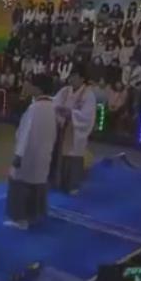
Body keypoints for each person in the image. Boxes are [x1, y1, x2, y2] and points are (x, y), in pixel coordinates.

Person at [5, 74, 57, 230]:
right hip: (43, 152)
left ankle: (20, 218)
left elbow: (25, 133)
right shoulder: (52, 106)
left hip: (29, 154)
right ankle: (35, 214)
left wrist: (18, 155)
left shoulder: (34, 108)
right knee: (37, 183)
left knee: (20, 183)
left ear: (38, 88)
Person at [51, 65, 96, 195]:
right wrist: (59, 111)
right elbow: (55, 104)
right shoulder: (65, 91)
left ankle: (72, 185)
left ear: (82, 79)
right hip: (62, 129)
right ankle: (57, 182)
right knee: (59, 155)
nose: (71, 79)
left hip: (75, 130)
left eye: (75, 77)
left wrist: (71, 114)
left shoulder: (88, 95)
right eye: (71, 76)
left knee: (73, 157)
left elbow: (87, 116)